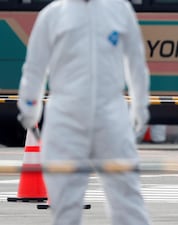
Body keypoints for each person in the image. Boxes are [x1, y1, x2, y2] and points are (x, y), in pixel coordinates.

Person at [17, 0, 151, 224]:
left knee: (126, 195)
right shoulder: (52, 15)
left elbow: (136, 61)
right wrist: (29, 107)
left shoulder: (119, 9)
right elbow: (34, 68)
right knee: (65, 199)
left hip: (111, 113)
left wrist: (140, 105)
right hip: (65, 115)